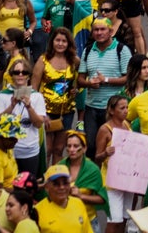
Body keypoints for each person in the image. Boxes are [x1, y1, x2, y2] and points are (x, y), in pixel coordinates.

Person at [77, 19, 131, 158]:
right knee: (91, 147)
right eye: (96, 30)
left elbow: (128, 78)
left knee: (116, 147)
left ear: (110, 31)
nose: (99, 33)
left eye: (103, 29)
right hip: (92, 106)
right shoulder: (88, 50)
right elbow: (80, 79)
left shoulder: (122, 50)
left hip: (114, 108)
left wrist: (105, 80)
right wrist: (90, 83)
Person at [31, 26, 80, 164]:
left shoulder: (74, 60)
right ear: (52, 41)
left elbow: (79, 79)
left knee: (59, 149)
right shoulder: (43, 60)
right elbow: (34, 87)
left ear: (68, 43)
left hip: (66, 111)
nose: (60, 44)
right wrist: (40, 112)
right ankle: (45, 179)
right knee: (47, 149)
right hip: (46, 111)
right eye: (57, 40)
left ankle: (56, 179)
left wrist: (76, 89)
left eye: (64, 41)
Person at [94, 95, 131, 233]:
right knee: (114, 219)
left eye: (127, 107)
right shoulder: (105, 129)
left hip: (127, 179)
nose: (126, 111)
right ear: (111, 110)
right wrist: (105, 153)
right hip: (111, 180)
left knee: (125, 217)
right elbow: (97, 158)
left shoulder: (127, 124)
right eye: (122, 108)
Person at [59, 129, 108, 230]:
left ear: (84, 148)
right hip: (65, 221)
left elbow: (102, 199)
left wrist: (80, 196)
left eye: (76, 146)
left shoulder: (93, 170)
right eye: (69, 146)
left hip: (88, 222)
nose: (72, 149)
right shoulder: (60, 167)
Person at [36, 164, 91, 233]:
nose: (62, 187)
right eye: (56, 184)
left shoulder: (78, 203)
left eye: (65, 183)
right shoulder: (37, 211)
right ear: (47, 187)